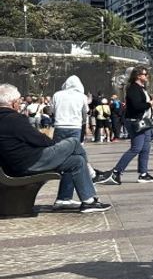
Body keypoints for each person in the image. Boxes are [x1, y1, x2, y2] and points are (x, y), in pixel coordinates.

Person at [0, 83, 110, 213]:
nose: (19, 104)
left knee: (77, 161)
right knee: (73, 142)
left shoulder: (5, 118)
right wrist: (55, 147)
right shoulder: (14, 119)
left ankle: (88, 201)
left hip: (16, 164)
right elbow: (39, 139)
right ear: (13, 103)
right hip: (30, 162)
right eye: (18, 102)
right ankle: (93, 174)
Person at [95, 67, 153, 186]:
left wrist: (151, 103)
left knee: (145, 148)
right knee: (136, 148)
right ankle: (116, 172)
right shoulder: (133, 89)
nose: (147, 76)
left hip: (144, 121)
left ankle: (143, 173)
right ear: (138, 76)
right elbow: (136, 105)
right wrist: (149, 103)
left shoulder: (141, 88)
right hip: (136, 121)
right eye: (145, 74)